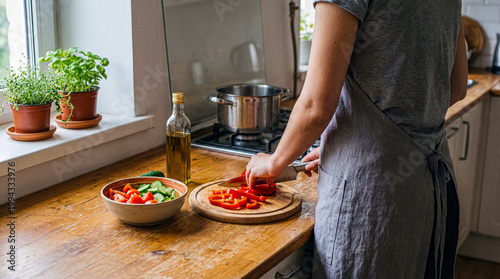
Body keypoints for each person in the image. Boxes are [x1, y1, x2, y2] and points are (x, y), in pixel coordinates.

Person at [245, 0, 467, 278]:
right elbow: (456, 87)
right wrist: (348, 144)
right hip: (432, 191)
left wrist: (276, 162)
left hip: (376, 196)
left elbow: (316, 105)